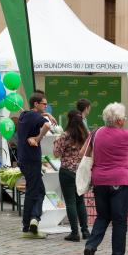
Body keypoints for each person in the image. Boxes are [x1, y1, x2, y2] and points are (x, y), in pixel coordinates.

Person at [82, 103, 128, 255]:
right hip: (119, 181)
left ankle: (90, 246)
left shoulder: (96, 133)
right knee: (119, 221)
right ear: (120, 121)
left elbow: (83, 153)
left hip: (99, 180)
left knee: (102, 216)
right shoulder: (126, 135)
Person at [17, 91, 56, 236]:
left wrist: (46, 114)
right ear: (36, 104)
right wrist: (38, 139)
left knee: (39, 190)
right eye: (44, 104)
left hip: (23, 158)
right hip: (32, 159)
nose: (46, 106)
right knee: (33, 192)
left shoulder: (24, 115)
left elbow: (41, 118)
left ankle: (34, 219)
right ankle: (27, 225)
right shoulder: (35, 116)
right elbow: (46, 126)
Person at [53, 110, 90, 242]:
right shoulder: (86, 135)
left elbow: (56, 154)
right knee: (80, 201)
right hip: (80, 172)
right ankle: (85, 231)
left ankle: (75, 233)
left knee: (70, 202)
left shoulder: (65, 135)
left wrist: (56, 141)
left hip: (67, 171)